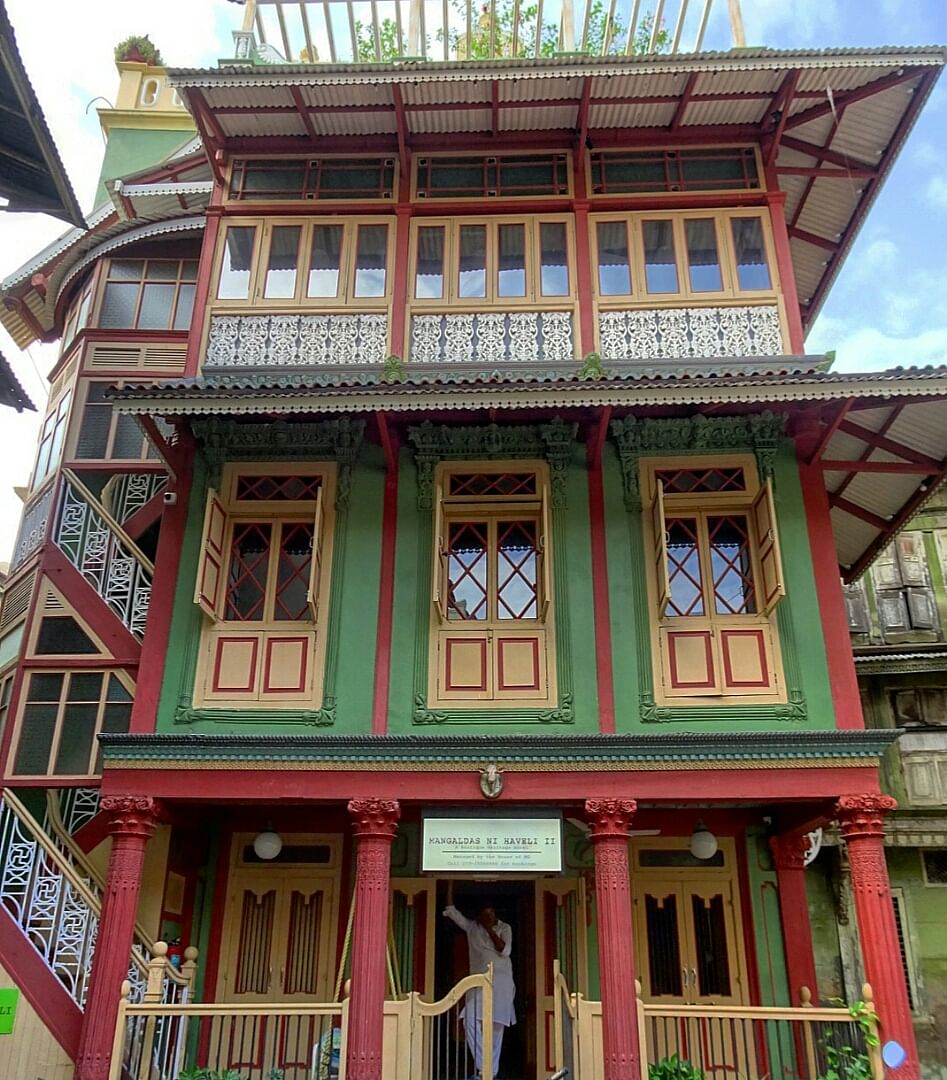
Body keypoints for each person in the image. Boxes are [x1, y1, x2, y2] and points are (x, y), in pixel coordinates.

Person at [443, 886, 516, 1079]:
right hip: (478, 984)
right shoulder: (471, 927)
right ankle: (487, 1068)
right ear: (478, 916)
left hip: (501, 984)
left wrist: (489, 929)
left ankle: (488, 1073)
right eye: (485, 914)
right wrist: (450, 883)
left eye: (491, 913)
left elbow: (505, 950)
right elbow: (451, 910)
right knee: (469, 1020)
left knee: (496, 1028)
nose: (489, 917)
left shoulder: (504, 928)